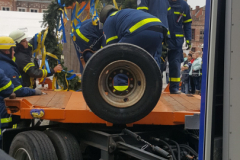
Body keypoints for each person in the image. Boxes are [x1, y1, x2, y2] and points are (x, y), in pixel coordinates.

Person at [0, 36, 42, 132]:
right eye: (13, 50)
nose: (14, 52)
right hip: (4, 108)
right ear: (7, 51)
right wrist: (34, 91)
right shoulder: (8, 68)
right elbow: (16, 90)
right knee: (8, 134)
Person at [100, 5, 168, 58]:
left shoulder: (109, 19)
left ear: (104, 19)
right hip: (159, 30)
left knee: (119, 56)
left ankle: (120, 76)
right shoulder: (125, 13)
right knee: (149, 64)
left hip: (140, 31)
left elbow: (112, 47)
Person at [167, 0, 192, 94]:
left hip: (176, 42)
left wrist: (189, 38)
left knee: (175, 65)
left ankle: (174, 88)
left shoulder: (183, 5)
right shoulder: (162, 2)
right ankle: (154, 89)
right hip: (163, 39)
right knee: (158, 64)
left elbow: (187, 23)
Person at [137, 0, 171, 68]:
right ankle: (157, 76)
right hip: (163, 30)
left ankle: (150, 77)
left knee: (147, 57)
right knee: (158, 57)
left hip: (150, 28)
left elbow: (140, 13)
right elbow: (169, 14)